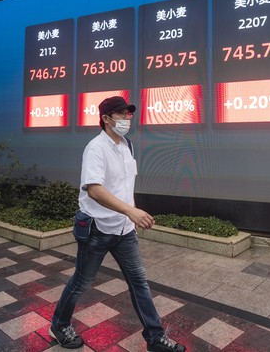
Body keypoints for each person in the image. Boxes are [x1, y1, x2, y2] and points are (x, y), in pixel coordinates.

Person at [49, 96, 186, 352]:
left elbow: (122, 187)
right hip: (97, 230)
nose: (127, 118)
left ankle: (155, 339)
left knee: (139, 282)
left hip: (124, 231)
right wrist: (131, 211)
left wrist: (129, 216)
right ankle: (59, 324)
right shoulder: (96, 148)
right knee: (81, 282)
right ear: (106, 119)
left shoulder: (127, 145)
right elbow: (94, 190)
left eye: (128, 113)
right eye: (121, 114)